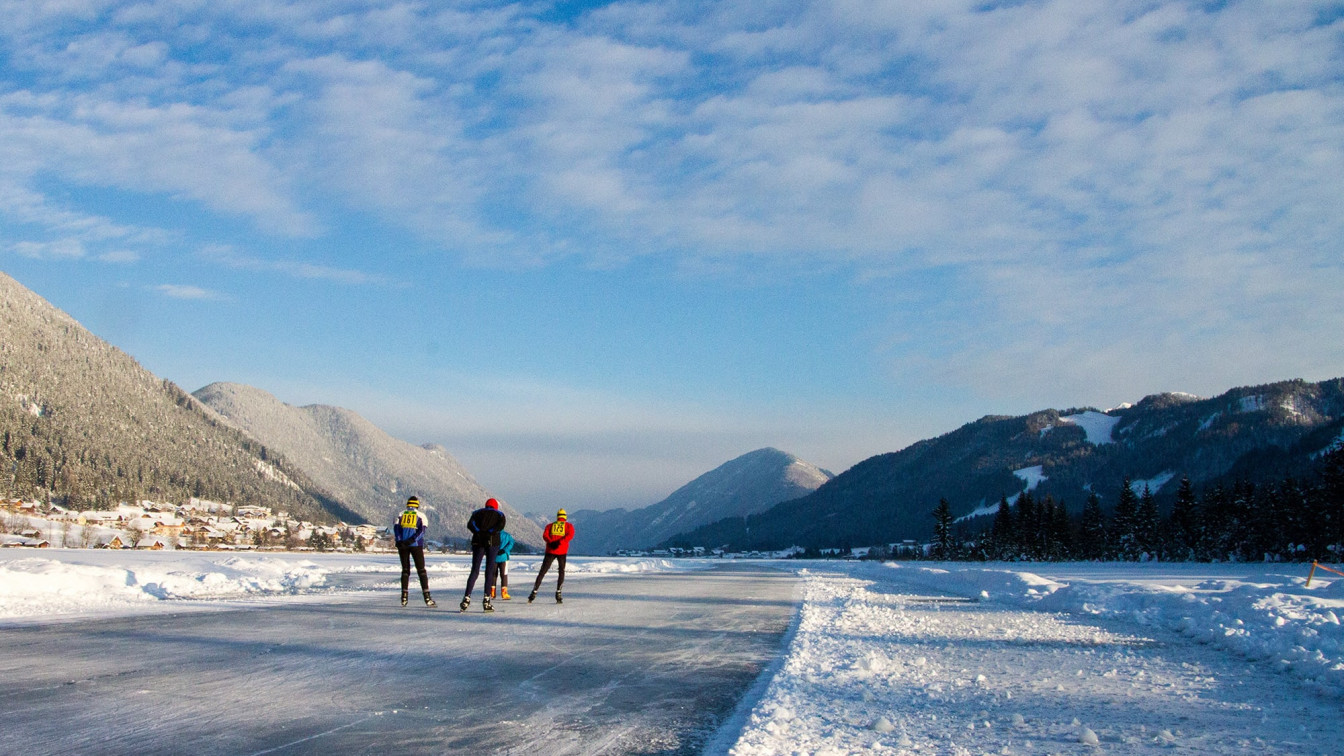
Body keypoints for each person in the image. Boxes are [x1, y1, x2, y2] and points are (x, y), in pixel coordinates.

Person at [461, 497, 506, 612]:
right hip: (492, 543)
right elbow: (500, 526)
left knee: (475, 570)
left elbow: (470, 524)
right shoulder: (500, 514)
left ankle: (466, 598)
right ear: (495, 506)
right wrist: (489, 533)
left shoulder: (477, 513)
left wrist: (479, 532)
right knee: (489, 571)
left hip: (478, 542)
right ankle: (486, 600)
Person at [394, 496, 435, 607]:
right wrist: (412, 540)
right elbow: (422, 531)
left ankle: (404, 597)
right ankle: (427, 598)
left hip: (402, 545)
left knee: (405, 570)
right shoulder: (421, 515)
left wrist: (399, 541)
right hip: (416, 545)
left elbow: (396, 529)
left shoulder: (401, 514)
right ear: (417, 505)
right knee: (421, 570)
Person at [529, 509, 574, 604]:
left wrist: (551, 542)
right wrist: (560, 542)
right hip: (562, 551)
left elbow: (545, 535)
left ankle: (534, 591)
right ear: (565, 517)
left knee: (542, 572)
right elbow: (570, 535)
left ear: (557, 516)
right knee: (561, 571)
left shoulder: (550, 526)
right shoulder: (568, 526)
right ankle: (558, 592)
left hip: (550, 551)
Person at [489, 530, 515, 600]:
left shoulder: (492, 533)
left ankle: (492, 592)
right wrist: (505, 550)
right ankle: (504, 593)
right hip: (504, 557)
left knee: (493, 575)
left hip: (494, 557)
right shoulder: (507, 535)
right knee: (504, 575)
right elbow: (511, 543)